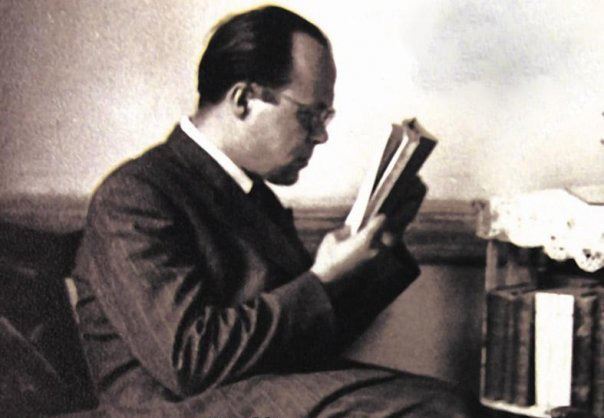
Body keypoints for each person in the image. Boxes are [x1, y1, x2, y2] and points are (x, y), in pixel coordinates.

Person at [72, 5, 478, 417]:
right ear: (244, 100)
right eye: (309, 115)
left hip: (247, 393)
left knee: (443, 404)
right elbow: (189, 360)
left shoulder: (252, 195)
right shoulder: (133, 195)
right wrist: (323, 278)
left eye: (325, 116)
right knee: (436, 409)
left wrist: (379, 242)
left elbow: (304, 338)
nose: (321, 136)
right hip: (168, 408)